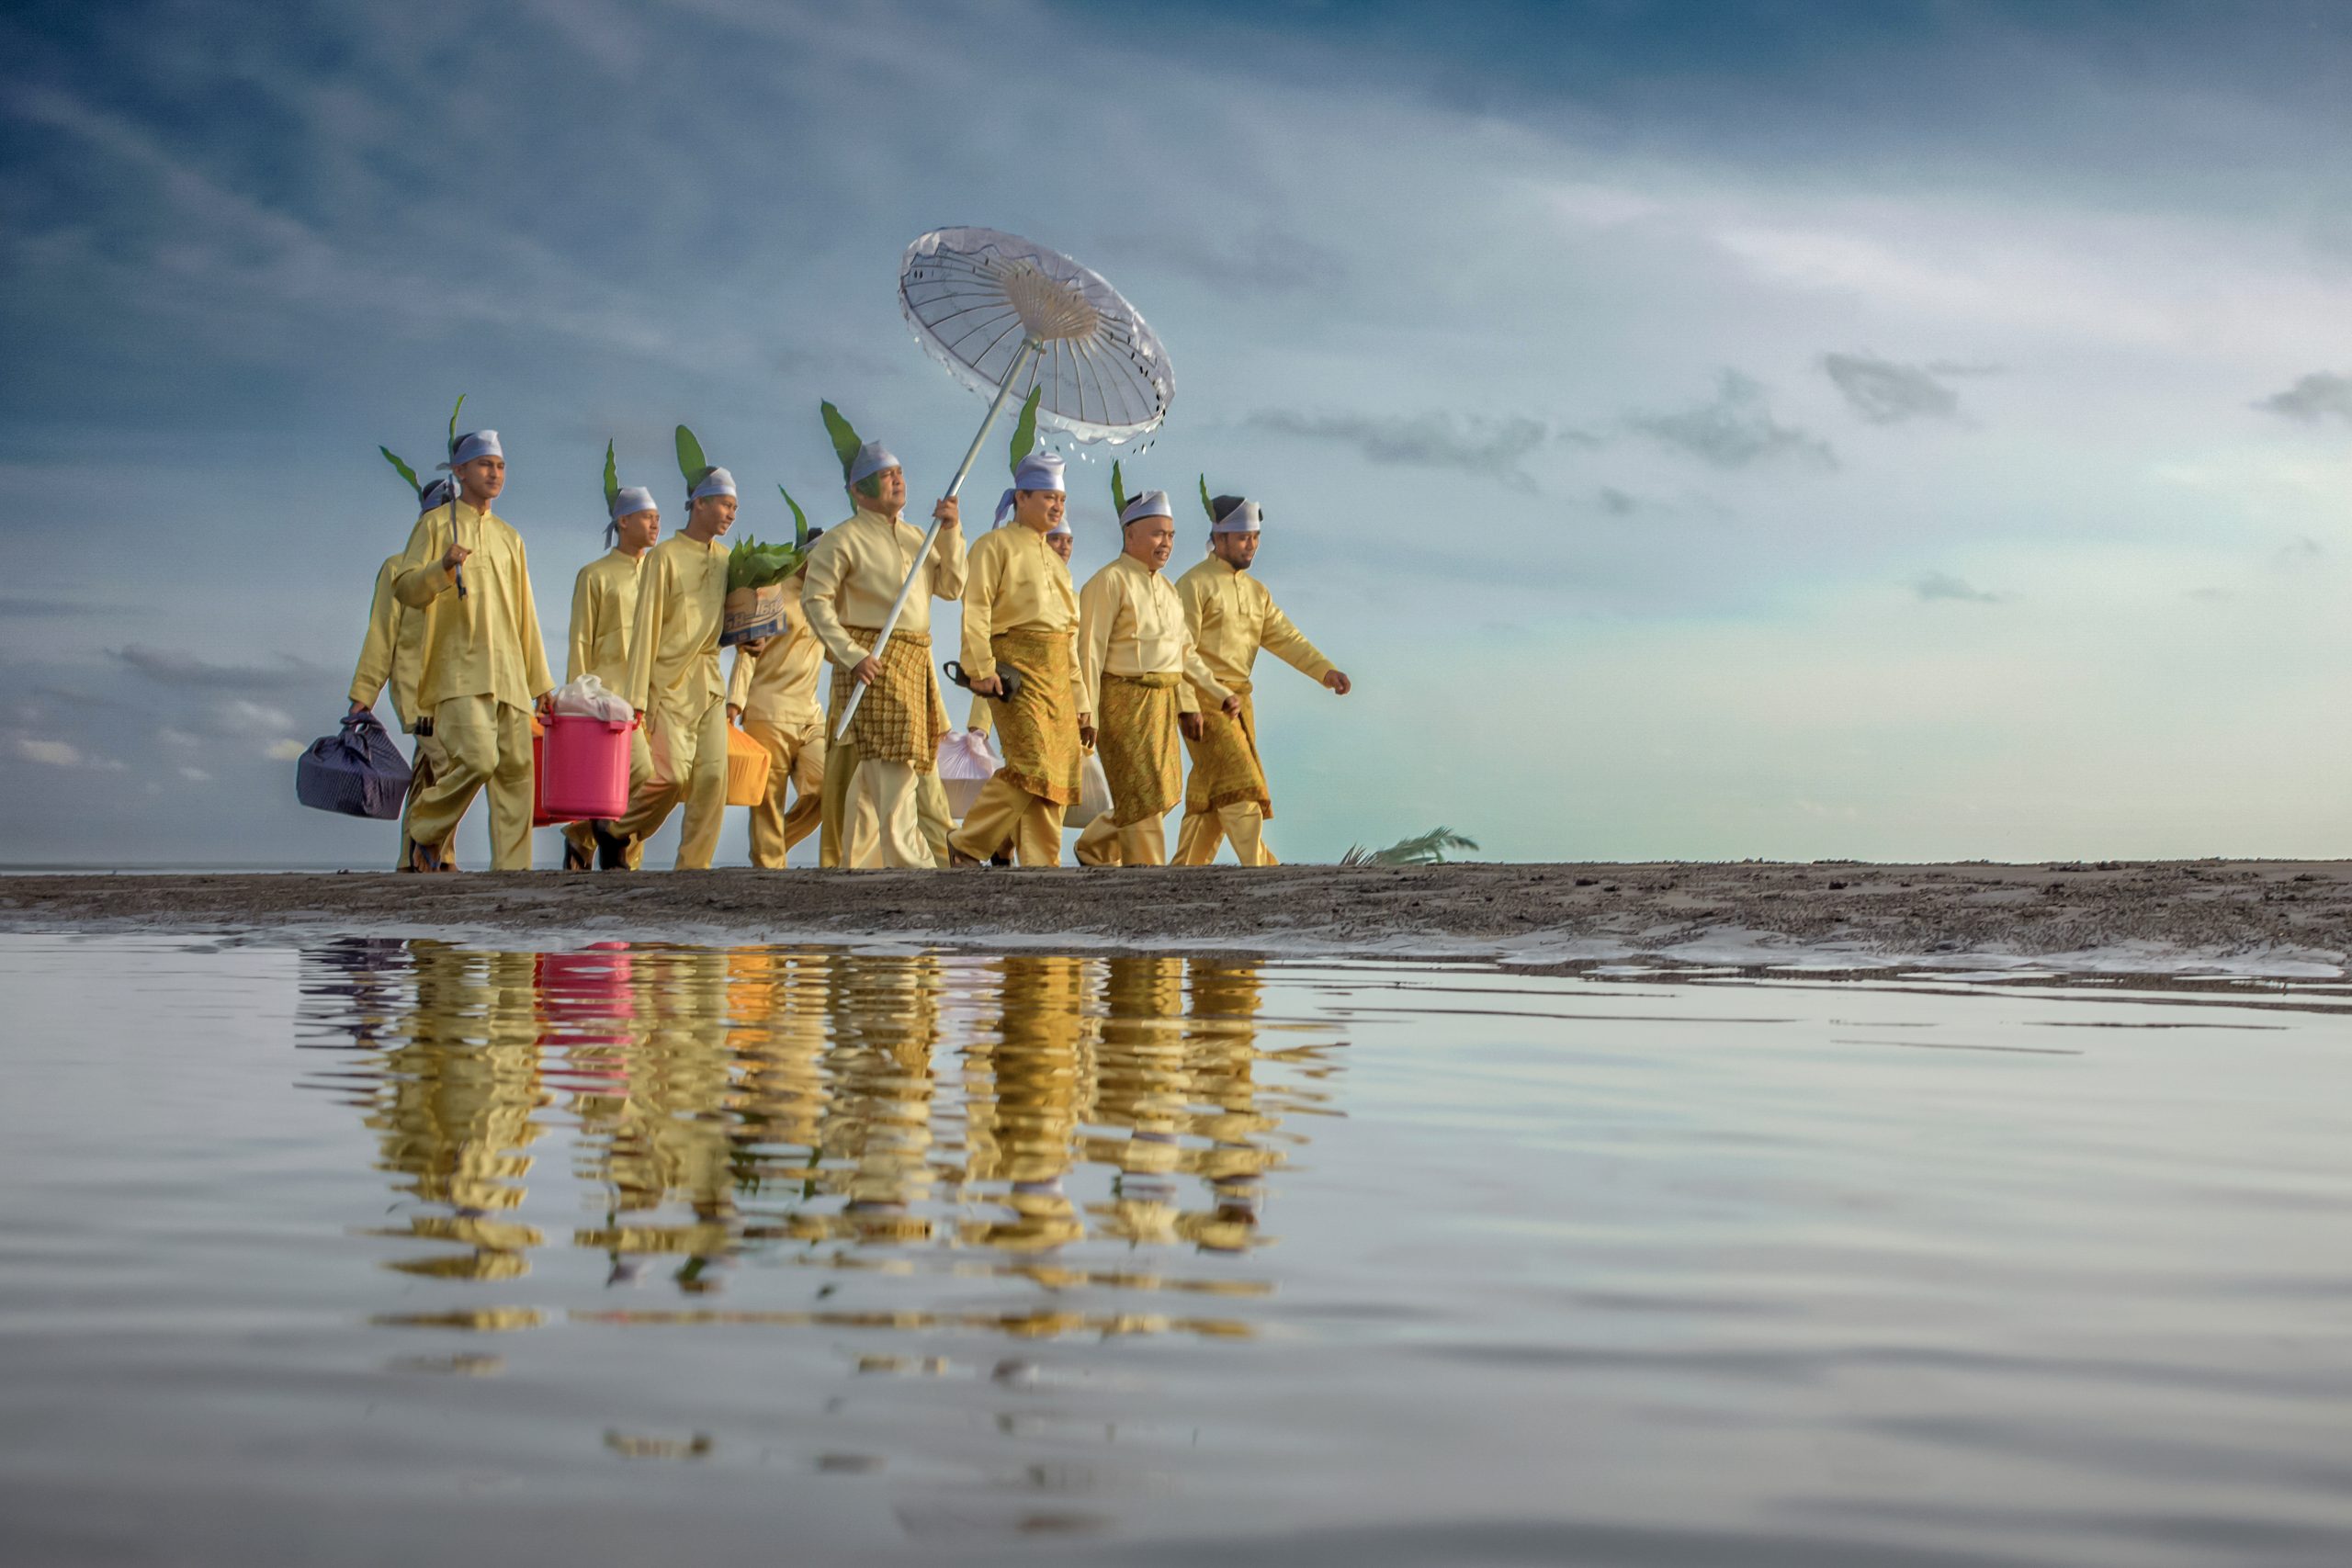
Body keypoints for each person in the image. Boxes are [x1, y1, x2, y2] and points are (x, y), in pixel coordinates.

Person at [390, 430, 554, 873]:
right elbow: (404, 588)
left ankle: (513, 871)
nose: (494, 473)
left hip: (511, 675)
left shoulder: (510, 537)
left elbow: (526, 613)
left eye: (500, 466)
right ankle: (424, 824)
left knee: (517, 774)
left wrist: (541, 684)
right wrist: (441, 568)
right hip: (457, 671)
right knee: (478, 760)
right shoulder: (434, 525)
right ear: (460, 472)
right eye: (485, 465)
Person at [802, 428, 965, 870]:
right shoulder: (842, 539)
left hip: (916, 657)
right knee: (893, 762)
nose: (897, 480)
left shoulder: (919, 535)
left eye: (899, 472)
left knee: (885, 767)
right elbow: (814, 601)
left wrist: (950, 531)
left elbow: (951, 586)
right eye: (884, 474)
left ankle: (862, 862)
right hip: (870, 657)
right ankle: (909, 861)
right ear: (858, 489)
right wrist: (850, 653)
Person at [1174, 493, 1351, 866]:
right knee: (1240, 787)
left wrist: (1325, 670)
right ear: (1219, 538)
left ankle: (1183, 871)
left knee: (1212, 793)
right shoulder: (1192, 584)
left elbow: (1286, 638)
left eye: (1255, 536)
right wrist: (1187, 705)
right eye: (1242, 537)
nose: (1251, 544)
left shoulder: (1258, 593)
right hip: (1206, 700)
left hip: (1240, 702)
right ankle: (1263, 869)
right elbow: (1179, 651)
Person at [1073, 489, 1237, 867]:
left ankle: (1095, 846)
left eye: (1172, 535)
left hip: (1163, 704)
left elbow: (1183, 655)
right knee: (1142, 796)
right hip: (1121, 700)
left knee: (1161, 795)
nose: (1167, 543)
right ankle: (1148, 876)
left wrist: (1215, 693)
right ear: (1130, 535)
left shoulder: (1167, 589)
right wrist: (1087, 712)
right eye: (1158, 533)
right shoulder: (1108, 581)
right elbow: (1089, 652)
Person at [945, 453, 1082, 867]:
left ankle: (1042, 862)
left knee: (1051, 774)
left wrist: (1084, 704)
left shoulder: (1058, 566)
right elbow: (976, 609)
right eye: (1048, 497)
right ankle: (967, 841)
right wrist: (981, 670)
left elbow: (1069, 637)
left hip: (1057, 672)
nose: (1057, 506)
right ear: (1021, 497)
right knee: (1032, 763)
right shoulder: (994, 545)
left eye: (1061, 498)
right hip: (1015, 669)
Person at [612, 463, 736, 870]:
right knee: (670, 778)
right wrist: (636, 699)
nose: (731, 514)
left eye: (735, 507)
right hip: (668, 684)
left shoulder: (727, 560)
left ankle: (693, 870)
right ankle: (613, 831)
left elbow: (732, 623)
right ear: (699, 503)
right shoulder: (663, 557)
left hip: (711, 684)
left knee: (714, 781)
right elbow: (644, 629)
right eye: (724, 504)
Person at [350, 476, 458, 870]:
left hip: (461, 687)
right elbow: (381, 634)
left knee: (430, 768)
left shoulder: (469, 568)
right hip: (417, 690)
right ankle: (433, 851)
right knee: (450, 763)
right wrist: (363, 696)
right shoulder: (398, 569)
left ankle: (412, 858)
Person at [561, 478, 660, 870]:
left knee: (648, 783)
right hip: (608, 697)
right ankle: (607, 842)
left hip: (655, 696)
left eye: (657, 518)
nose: (655, 525)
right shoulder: (595, 574)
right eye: (647, 518)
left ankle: (586, 839)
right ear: (623, 521)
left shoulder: (659, 573)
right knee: (641, 775)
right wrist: (577, 698)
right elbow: (580, 639)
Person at [724, 527, 828, 867]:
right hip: (768, 710)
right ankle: (769, 867)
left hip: (811, 715)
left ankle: (772, 849)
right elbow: (748, 650)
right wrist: (734, 701)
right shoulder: (772, 592)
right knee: (768, 799)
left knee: (826, 789)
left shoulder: (826, 600)